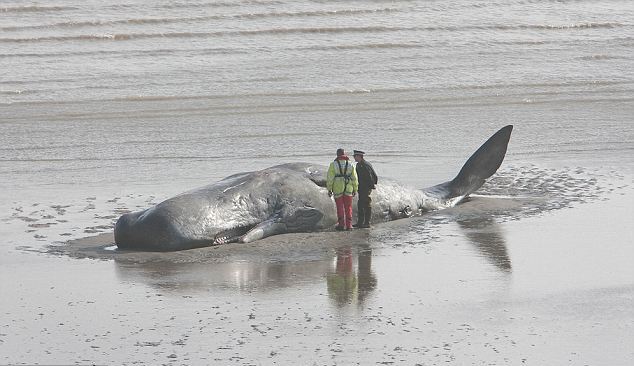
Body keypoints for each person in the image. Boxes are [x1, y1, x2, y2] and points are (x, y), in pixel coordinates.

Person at [327, 148, 358, 231]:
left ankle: (341, 225)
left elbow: (330, 178)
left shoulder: (333, 165)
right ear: (345, 154)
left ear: (337, 155)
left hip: (337, 188)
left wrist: (329, 189)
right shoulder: (350, 164)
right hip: (348, 188)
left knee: (340, 207)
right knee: (348, 207)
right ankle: (349, 225)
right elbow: (355, 178)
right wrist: (355, 189)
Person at [353, 150, 377, 228]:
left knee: (364, 204)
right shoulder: (360, 164)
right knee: (362, 204)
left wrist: (371, 186)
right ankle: (361, 222)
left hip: (365, 188)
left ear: (359, 156)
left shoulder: (364, 165)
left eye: (355, 156)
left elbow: (370, 176)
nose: (354, 158)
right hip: (362, 187)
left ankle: (366, 222)